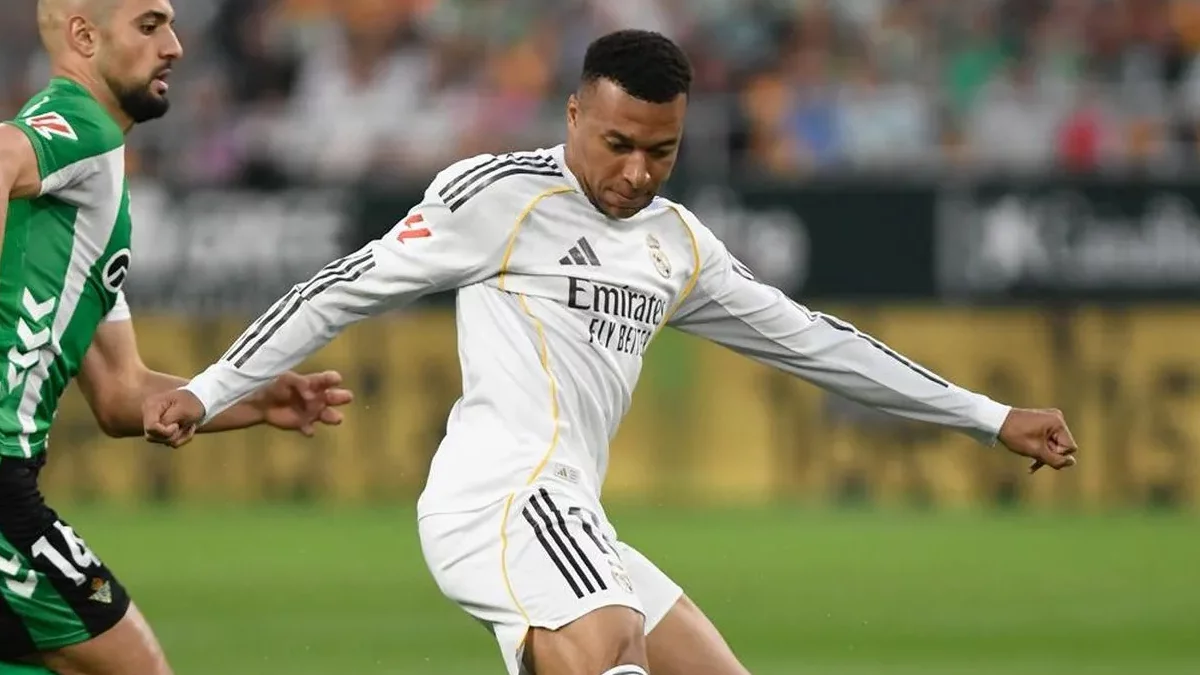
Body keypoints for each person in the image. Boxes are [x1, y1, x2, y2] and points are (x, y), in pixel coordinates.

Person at [143, 29, 1079, 675]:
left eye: (661, 152)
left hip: (573, 512)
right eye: (618, 143)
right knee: (609, 638)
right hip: (500, 498)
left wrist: (990, 416)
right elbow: (341, 286)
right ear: (572, 115)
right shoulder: (499, 198)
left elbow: (815, 342)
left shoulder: (677, 244)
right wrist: (211, 387)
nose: (636, 173)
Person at [0, 1, 353, 673]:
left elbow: (120, 392)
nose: (175, 46)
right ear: (84, 36)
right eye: (149, 25)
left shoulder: (88, 197)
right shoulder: (78, 123)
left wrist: (249, 396)